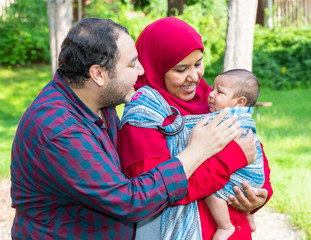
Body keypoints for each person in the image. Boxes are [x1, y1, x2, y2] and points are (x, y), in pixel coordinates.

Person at [10, 18, 244, 240]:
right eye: (132, 64)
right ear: (98, 74)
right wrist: (197, 152)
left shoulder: (100, 102)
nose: (142, 71)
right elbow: (130, 201)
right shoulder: (60, 131)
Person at [117, 17, 273, 240]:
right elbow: (152, 191)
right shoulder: (144, 116)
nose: (194, 77)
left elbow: (251, 144)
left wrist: (261, 194)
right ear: (156, 66)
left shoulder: (206, 96)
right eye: (181, 69)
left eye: (198, 64)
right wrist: (230, 159)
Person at [204, 69, 265, 240]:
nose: (211, 94)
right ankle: (249, 218)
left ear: (239, 102)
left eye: (219, 91)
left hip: (245, 177)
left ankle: (224, 226)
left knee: (210, 188)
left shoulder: (224, 119)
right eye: (213, 89)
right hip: (256, 179)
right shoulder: (245, 117)